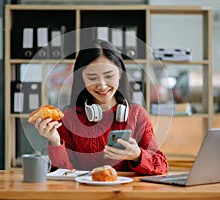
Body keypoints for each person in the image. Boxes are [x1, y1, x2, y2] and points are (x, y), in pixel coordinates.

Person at [33, 39, 168, 175]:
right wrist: (56, 142)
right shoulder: (69, 118)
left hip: (125, 195)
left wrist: (137, 155)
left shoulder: (137, 115)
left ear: (120, 74)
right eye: (92, 78)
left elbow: (161, 165)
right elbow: (62, 175)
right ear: (82, 78)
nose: (102, 86)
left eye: (109, 76)